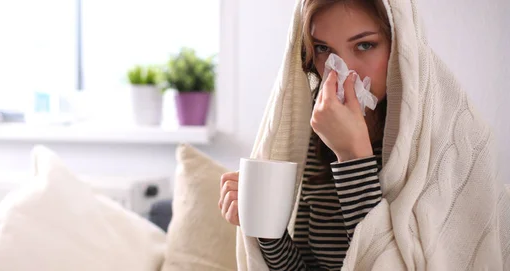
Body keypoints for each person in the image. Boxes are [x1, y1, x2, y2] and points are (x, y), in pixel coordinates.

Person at [219, 0, 510, 270]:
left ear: (401, 45)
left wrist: (352, 157)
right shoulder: (317, 133)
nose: (342, 72)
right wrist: (268, 231)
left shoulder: (458, 141)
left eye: (365, 45)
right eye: (323, 49)